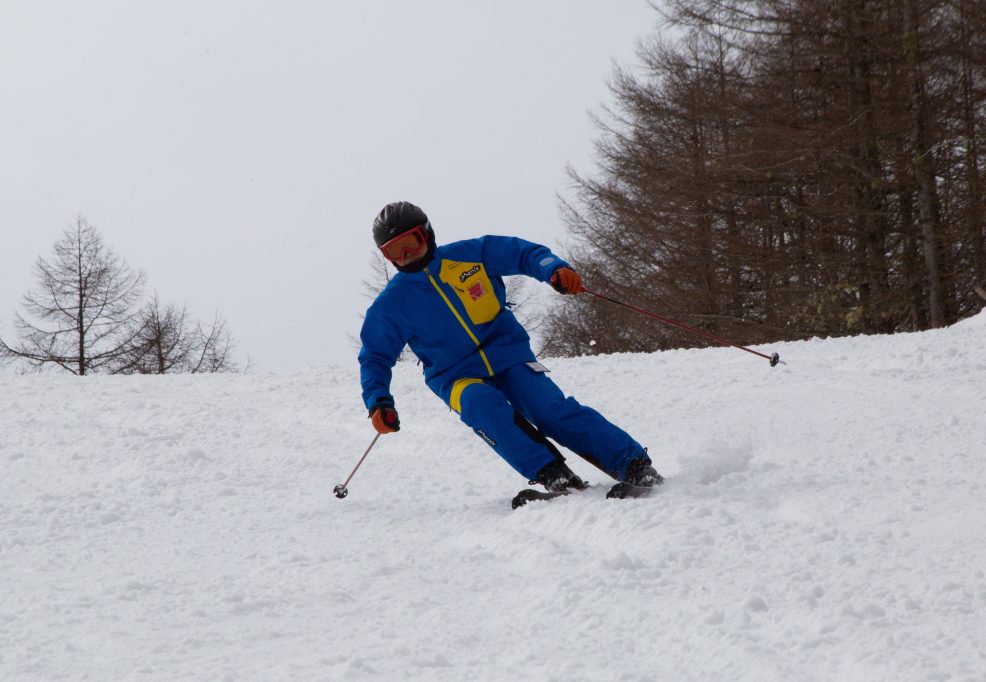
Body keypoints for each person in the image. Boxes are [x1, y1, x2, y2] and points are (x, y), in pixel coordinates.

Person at [358, 201, 663, 492]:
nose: (407, 253)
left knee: (549, 409)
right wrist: (378, 402)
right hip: (454, 376)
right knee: (482, 404)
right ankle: (553, 475)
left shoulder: (470, 255)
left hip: (509, 354)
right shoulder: (391, 305)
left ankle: (633, 465)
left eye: (411, 241)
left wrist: (553, 269)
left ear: (427, 233)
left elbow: (522, 253)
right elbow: (374, 357)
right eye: (395, 251)